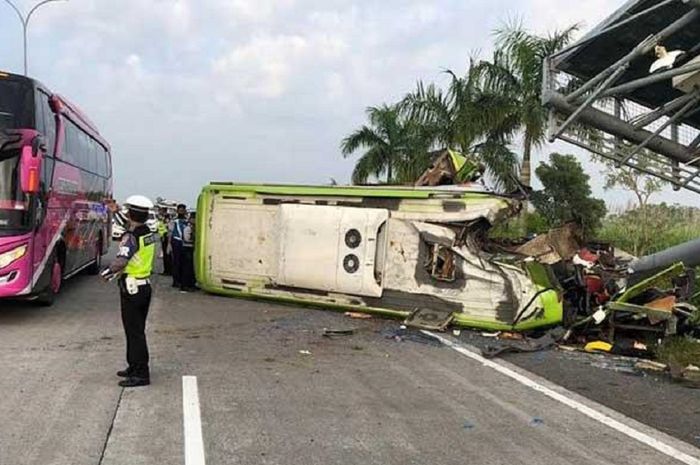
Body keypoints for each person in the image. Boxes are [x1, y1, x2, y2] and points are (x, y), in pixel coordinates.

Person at [100, 195, 157, 388]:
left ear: (131, 214)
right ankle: (134, 366)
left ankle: (141, 374)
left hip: (132, 289)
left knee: (134, 333)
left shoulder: (131, 237)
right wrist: (115, 211)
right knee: (136, 331)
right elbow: (130, 225)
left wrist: (106, 273)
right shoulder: (147, 231)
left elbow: (121, 261)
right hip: (144, 287)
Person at [169, 203, 188, 288]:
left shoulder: (187, 221)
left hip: (184, 243)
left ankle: (181, 279)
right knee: (176, 262)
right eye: (180, 210)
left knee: (183, 262)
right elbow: (170, 232)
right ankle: (175, 281)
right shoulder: (174, 220)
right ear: (177, 211)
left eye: (183, 210)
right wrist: (169, 245)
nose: (181, 212)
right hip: (176, 241)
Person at [180, 211, 198, 292]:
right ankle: (185, 285)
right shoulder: (188, 228)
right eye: (194, 219)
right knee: (187, 268)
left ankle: (191, 284)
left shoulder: (196, 228)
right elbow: (187, 239)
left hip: (193, 249)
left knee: (192, 268)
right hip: (187, 249)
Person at [157, 208, 172, 276]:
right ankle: (167, 270)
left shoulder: (167, 218)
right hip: (163, 237)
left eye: (160, 210)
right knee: (166, 255)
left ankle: (168, 271)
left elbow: (168, 228)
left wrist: (164, 235)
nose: (159, 211)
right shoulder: (163, 218)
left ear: (163, 210)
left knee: (167, 255)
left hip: (166, 237)